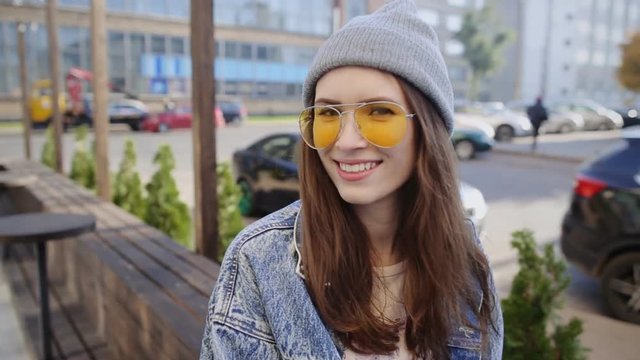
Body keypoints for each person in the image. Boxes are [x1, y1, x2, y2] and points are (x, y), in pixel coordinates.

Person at [199, 1, 503, 359]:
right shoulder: (259, 261)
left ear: (428, 129)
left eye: (378, 112)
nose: (346, 141)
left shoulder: (465, 260)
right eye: (327, 113)